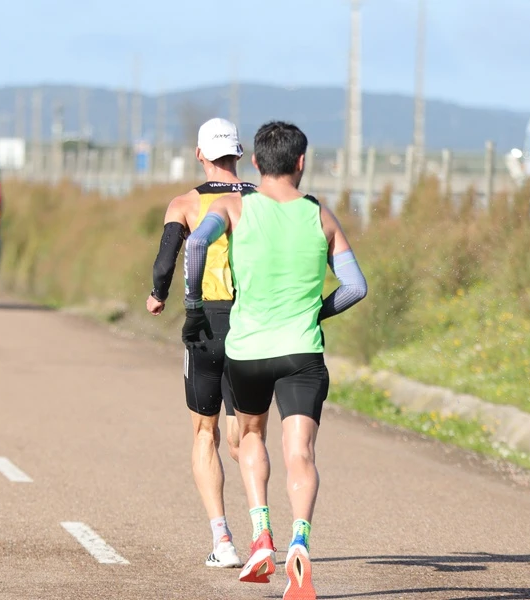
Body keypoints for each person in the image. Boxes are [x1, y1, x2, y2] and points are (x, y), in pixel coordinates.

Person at [181, 121, 367, 599]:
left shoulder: (232, 207)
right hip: (303, 351)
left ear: (256, 163)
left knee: (250, 436)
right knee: (300, 452)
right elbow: (355, 287)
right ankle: (299, 539)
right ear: (302, 162)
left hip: (248, 352)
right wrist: (316, 311)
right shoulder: (321, 216)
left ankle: (261, 535)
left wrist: (195, 305)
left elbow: (198, 243)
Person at [146, 117, 255, 569]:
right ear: (239, 153)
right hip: (254, 325)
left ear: (199, 155)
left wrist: (158, 296)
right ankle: (262, 534)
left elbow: (165, 260)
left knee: (203, 432)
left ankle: (223, 539)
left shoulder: (185, 203)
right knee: (244, 437)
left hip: (208, 325)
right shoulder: (265, 202)